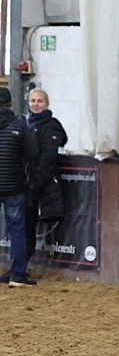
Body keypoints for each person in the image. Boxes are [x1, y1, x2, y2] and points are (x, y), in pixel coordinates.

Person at [0, 86, 39, 286]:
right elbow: (33, 154)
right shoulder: (20, 125)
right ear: (11, 103)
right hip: (13, 185)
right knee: (17, 230)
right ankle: (17, 275)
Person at [24, 89, 69, 263]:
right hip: (25, 183)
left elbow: (47, 160)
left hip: (37, 185)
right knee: (23, 227)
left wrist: (34, 184)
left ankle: (19, 268)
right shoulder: (24, 123)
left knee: (28, 227)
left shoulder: (51, 127)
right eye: (32, 101)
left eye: (39, 101)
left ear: (47, 104)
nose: (35, 104)